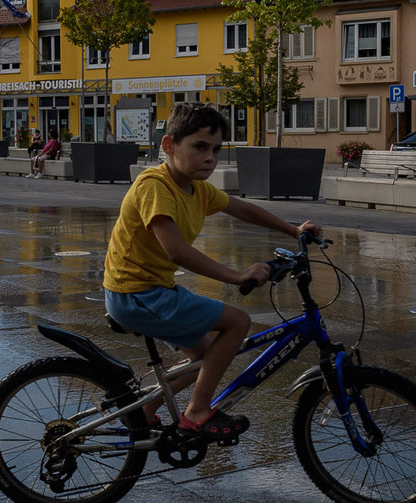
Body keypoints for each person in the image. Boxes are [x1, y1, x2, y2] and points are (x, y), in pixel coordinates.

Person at [102, 103, 319, 437]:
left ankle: (144, 412)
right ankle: (198, 411)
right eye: (200, 147)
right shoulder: (155, 186)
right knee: (238, 322)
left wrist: (293, 230)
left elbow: (242, 209)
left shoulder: (197, 188)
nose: (209, 157)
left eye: (216, 150)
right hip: (136, 293)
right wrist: (236, 275)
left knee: (204, 357)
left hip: (150, 290)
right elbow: (176, 251)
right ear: (169, 146)